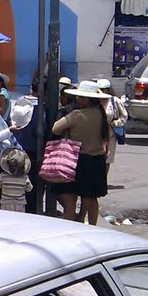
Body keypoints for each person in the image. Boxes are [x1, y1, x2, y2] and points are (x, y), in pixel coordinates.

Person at [51, 80, 111, 226]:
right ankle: (92, 227)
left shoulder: (77, 115)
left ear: (85, 99)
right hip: (97, 161)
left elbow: (56, 128)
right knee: (91, 198)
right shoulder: (100, 114)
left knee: (71, 197)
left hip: (78, 160)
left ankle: (71, 226)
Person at [11, 81, 46, 214]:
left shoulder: (20, 101)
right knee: (32, 184)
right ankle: (32, 210)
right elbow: (39, 130)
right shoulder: (40, 107)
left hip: (18, 147)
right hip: (33, 149)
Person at [96, 78, 128, 176]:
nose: (102, 91)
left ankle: (104, 180)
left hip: (110, 134)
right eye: (100, 89)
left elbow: (124, 116)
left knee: (108, 158)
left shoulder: (114, 101)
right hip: (96, 133)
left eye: (104, 89)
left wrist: (116, 123)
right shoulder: (95, 100)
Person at [0, 147, 33, 212]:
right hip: (20, 204)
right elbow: (29, 189)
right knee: (18, 220)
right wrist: (28, 185)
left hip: (6, 203)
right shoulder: (25, 178)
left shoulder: (3, 176)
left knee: (6, 220)